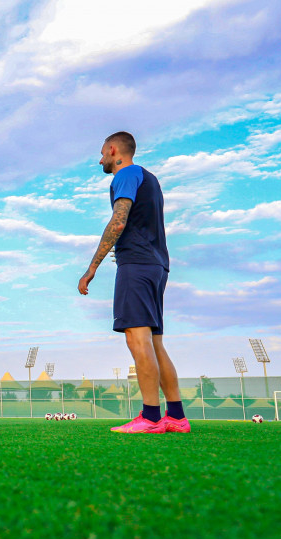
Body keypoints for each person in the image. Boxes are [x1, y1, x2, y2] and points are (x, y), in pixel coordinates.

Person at [78, 131, 189, 434]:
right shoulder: (150, 178)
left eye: (102, 153)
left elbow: (119, 219)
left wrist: (91, 268)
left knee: (136, 338)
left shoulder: (126, 174)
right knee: (154, 342)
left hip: (137, 265)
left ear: (114, 150)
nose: (101, 159)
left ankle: (152, 417)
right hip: (157, 265)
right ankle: (176, 417)